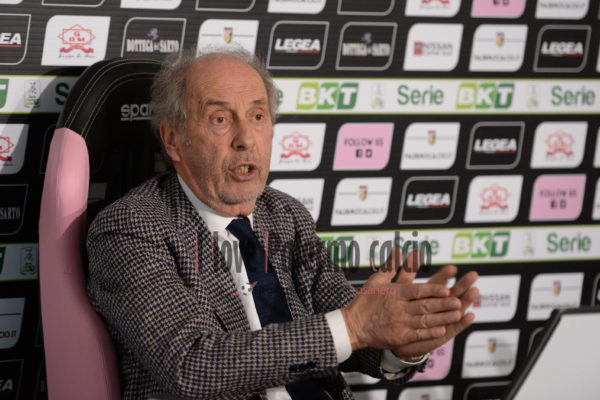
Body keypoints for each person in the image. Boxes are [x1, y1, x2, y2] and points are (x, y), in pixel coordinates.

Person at [86, 47, 479, 400]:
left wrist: (399, 344)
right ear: (173, 140)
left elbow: (347, 321)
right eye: (220, 119)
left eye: (258, 116)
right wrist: (353, 326)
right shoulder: (131, 228)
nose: (246, 139)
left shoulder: (285, 215)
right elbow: (192, 365)